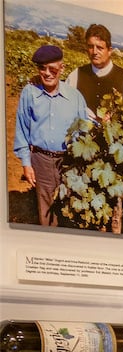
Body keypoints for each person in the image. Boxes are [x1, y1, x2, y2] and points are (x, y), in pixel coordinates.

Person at [11, 45, 84, 228]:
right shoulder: (30, 93)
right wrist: (26, 164)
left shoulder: (75, 97)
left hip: (68, 162)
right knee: (45, 212)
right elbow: (22, 128)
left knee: (69, 209)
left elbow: (84, 130)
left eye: (52, 69)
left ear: (62, 68)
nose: (47, 73)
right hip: (40, 160)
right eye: (42, 68)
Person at [66, 24, 123, 119]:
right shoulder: (75, 75)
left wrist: (116, 119)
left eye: (99, 48)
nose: (94, 52)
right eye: (90, 46)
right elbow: (65, 108)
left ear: (109, 50)